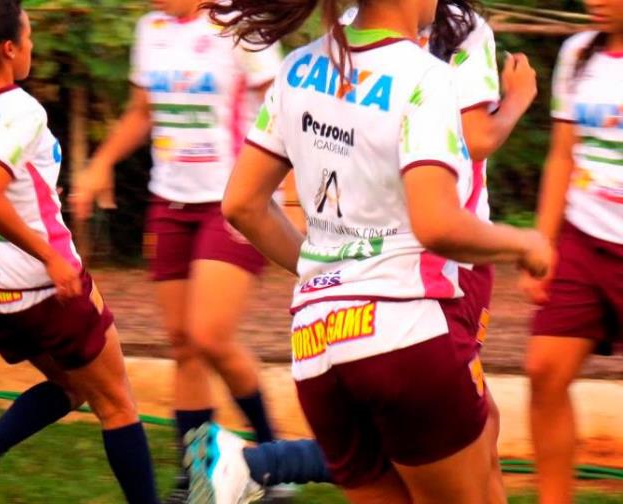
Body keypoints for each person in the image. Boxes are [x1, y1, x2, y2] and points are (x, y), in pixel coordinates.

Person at [185, 0, 553, 501]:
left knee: (483, 427)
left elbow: (242, 204)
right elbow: (437, 224)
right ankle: (252, 466)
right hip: (407, 335)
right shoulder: (426, 75)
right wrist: (525, 243)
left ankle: (252, 467)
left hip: (318, 348)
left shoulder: (296, 69)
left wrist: (331, 274)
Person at [0, 2, 159, 503]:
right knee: (117, 404)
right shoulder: (22, 111)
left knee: (73, 389)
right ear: (9, 49)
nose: (32, 47)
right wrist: (50, 258)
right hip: (43, 288)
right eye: (28, 38)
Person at [70, 0, 285, 501]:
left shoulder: (242, 25)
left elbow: (285, 113)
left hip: (234, 201)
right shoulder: (152, 29)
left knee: (209, 336)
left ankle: (274, 460)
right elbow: (142, 112)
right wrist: (101, 162)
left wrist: (289, 198)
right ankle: (198, 478)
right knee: (183, 345)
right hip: (169, 200)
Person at [523, 0, 623, 502]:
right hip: (582, 238)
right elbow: (562, 154)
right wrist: (543, 244)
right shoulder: (577, 52)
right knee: (544, 370)